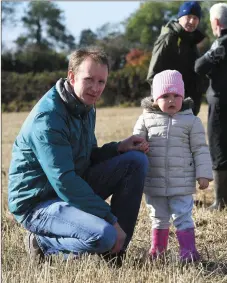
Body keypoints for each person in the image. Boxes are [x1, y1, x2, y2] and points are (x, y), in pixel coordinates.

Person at [8, 46, 149, 263]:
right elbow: (64, 181)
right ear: (72, 77)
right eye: (89, 79)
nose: (95, 88)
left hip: (69, 186)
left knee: (135, 161)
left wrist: (119, 147)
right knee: (104, 234)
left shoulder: (86, 107)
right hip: (38, 202)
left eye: (101, 82)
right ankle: (42, 243)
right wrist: (110, 219)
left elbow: (88, 156)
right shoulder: (48, 119)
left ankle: (116, 253)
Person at [133, 70, 213, 262]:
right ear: (155, 99)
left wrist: (203, 174)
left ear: (183, 97)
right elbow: (134, 143)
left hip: (182, 182)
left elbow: (200, 149)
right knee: (158, 217)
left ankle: (188, 252)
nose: (172, 100)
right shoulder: (145, 119)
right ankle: (157, 252)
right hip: (154, 181)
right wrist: (139, 146)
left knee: (183, 216)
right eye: (165, 96)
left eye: (176, 95)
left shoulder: (191, 121)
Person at [194, 3, 227, 210]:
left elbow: (199, 66)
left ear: (216, 22)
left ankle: (221, 201)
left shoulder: (222, 43)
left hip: (219, 101)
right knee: (224, 147)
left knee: (218, 150)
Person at [147, 1, 206, 116]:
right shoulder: (169, 38)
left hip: (187, 106)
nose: (192, 21)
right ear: (180, 17)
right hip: (171, 107)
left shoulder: (190, 40)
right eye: (188, 17)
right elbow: (153, 74)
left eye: (195, 18)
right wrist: (163, 102)